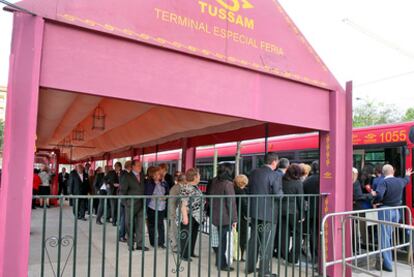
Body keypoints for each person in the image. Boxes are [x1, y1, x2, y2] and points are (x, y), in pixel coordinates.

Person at [247, 152, 283, 277]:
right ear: (274, 162)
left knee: (254, 239)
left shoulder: (254, 172)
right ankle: (264, 272)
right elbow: (277, 194)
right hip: (269, 213)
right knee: (267, 242)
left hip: (255, 211)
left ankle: (250, 267)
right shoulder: (275, 175)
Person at [374, 165, 413, 272]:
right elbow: (406, 181)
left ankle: (388, 265)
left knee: (384, 237)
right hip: (397, 211)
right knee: (389, 235)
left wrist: (375, 200)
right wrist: (407, 175)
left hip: (386, 211)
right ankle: (387, 259)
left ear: (383, 172)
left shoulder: (383, 182)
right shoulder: (400, 181)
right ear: (393, 172)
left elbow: (379, 195)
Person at [209, 163, 238, 271]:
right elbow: (231, 203)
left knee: (220, 241)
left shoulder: (215, 181)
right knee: (224, 242)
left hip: (215, 215)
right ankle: (222, 265)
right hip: (225, 217)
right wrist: (234, 219)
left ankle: (219, 262)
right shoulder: (228, 184)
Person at [119, 160, 148, 251]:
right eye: (138, 165)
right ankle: (130, 244)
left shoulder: (142, 176)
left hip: (141, 204)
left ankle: (140, 244)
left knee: (140, 225)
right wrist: (126, 203)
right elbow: (122, 192)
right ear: (133, 167)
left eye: (141, 165)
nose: (140, 167)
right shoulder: (126, 176)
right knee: (129, 224)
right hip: (130, 204)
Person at [280, 164, 304, 265]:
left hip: (281, 210)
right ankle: (293, 258)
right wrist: (302, 214)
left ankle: (284, 255)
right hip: (294, 211)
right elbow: (300, 199)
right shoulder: (298, 183)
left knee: (284, 233)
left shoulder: (282, 180)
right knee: (298, 234)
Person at [179, 168, 205, 261]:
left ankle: (190, 252)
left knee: (193, 234)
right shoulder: (187, 188)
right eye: (198, 175)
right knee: (186, 235)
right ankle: (184, 255)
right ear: (195, 177)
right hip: (189, 215)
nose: (200, 176)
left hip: (196, 215)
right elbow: (183, 204)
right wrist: (185, 217)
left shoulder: (195, 186)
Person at [145, 166, 169, 248]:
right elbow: (147, 194)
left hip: (161, 206)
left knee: (161, 225)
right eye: (158, 174)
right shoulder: (149, 183)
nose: (160, 175)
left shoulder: (164, 183)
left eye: (160, 174)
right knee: (152, 225)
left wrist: (166, 197)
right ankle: (153, 242)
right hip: (152, 206)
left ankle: (161, 242)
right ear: (153, 175)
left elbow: (167, 193)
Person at [302, 161, 320, 260]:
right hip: (324, 211)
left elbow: (304, 196)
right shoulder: (325, 179)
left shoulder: (307, 180)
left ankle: (315, 256)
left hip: (311, 211)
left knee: (313, 234)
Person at [273, 157, 289, 257]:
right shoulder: (284, 177)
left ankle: (274, 249)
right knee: (281, 230)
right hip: (280, 206)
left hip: (275, 207)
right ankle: (281, 251)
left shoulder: (274, 173)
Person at [168, 172, 185, 253]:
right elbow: (172, 202)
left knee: (176, 229)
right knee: (174, 229)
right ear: (183, 180)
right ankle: (175, 246)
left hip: (179, 212)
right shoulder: (175, 188)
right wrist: (173, 213)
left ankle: (177, 245)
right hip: (174, 212)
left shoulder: (181, 187)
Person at [234, 174, 249, 261]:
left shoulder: (234, 190)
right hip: (241, 217)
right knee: (242, 236)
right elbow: (244, 205)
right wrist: (248, 214)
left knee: (235, 235)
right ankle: (241, 255)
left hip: (234, 215)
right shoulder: (241, 192)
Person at [118, 160, 132, 242]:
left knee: (124, 217)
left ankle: (123, 234)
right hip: (125, 199)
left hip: (123, 198)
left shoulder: (123, 173)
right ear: (130, 166)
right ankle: (121, 235)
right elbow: (124, 187)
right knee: (124, 218)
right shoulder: (125, 174)